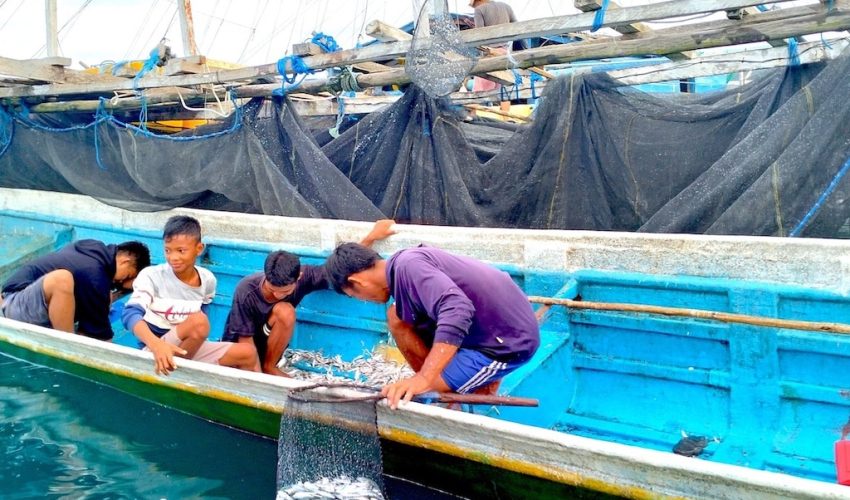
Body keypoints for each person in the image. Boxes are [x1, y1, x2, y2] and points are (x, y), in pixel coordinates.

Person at [324, 243, 540, 409]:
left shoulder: (409, 267)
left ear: (357, 282)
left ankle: (472, 390)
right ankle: (456, 381)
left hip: (508, 344)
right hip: (493, 324)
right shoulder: (403, 264)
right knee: (397, 316)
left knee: (422, 391)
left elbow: (457, 308)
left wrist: (424, 379)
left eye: (354, 295)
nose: (363, 299)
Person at [222, 220, 396, 376]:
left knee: (285, 310)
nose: (276, 295)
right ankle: (263, 373)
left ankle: (270, 367)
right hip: (239, 350)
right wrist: (256, 379)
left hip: (269, 345)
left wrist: (371, 237)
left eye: (284, 291)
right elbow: (245, 343)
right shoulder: (245, 290)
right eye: (272, 289)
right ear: (266, 277)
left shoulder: (306, 277)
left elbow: (342, 271)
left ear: (298, 278)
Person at [122, 215, 259, 375]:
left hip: (188, 350)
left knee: (248, 353)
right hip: (154, 350)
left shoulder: (207, 280)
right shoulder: (152, 275)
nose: (173, 257)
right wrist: (156, 345)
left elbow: (204, 310)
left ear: (199, 249)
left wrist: (196, 341)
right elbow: (129, 314)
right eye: (168, 250)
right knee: (199, 322)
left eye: (181, 251)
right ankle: (177, 375)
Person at [1, 239, 150, 341]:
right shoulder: (94, 274)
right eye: (126, 277)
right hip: (14, 305)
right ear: (125, 261)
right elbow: (102, 337)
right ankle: (67, 343)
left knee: (102, 296)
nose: (118, 282)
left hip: (24, 302)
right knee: (61, 279)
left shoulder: (91, 250)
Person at [469, 0, 521, 112]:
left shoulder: (479, 10)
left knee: (479, 88)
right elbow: (517, 26)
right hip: (505, 53)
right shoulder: (507, 6)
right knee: (504, 86)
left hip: (490, 53)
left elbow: (480, 34)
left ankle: (473, 114)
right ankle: (505, 115)